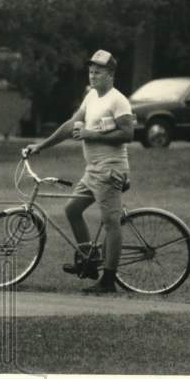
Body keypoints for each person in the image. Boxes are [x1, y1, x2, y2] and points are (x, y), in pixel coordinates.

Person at [23, 50, 135, 294]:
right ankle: (89, 260)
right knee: (72, 209)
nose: (93, 75)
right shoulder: (91, 97)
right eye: (91, 71)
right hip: (93, 170)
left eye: (99, 72)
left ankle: (108, 281)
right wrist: (41, 146)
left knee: (111, 223)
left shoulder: (118, 100)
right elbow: (69, 126)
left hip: (110, 170)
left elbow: (128, 133)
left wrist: (91, 134)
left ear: (111, 74)